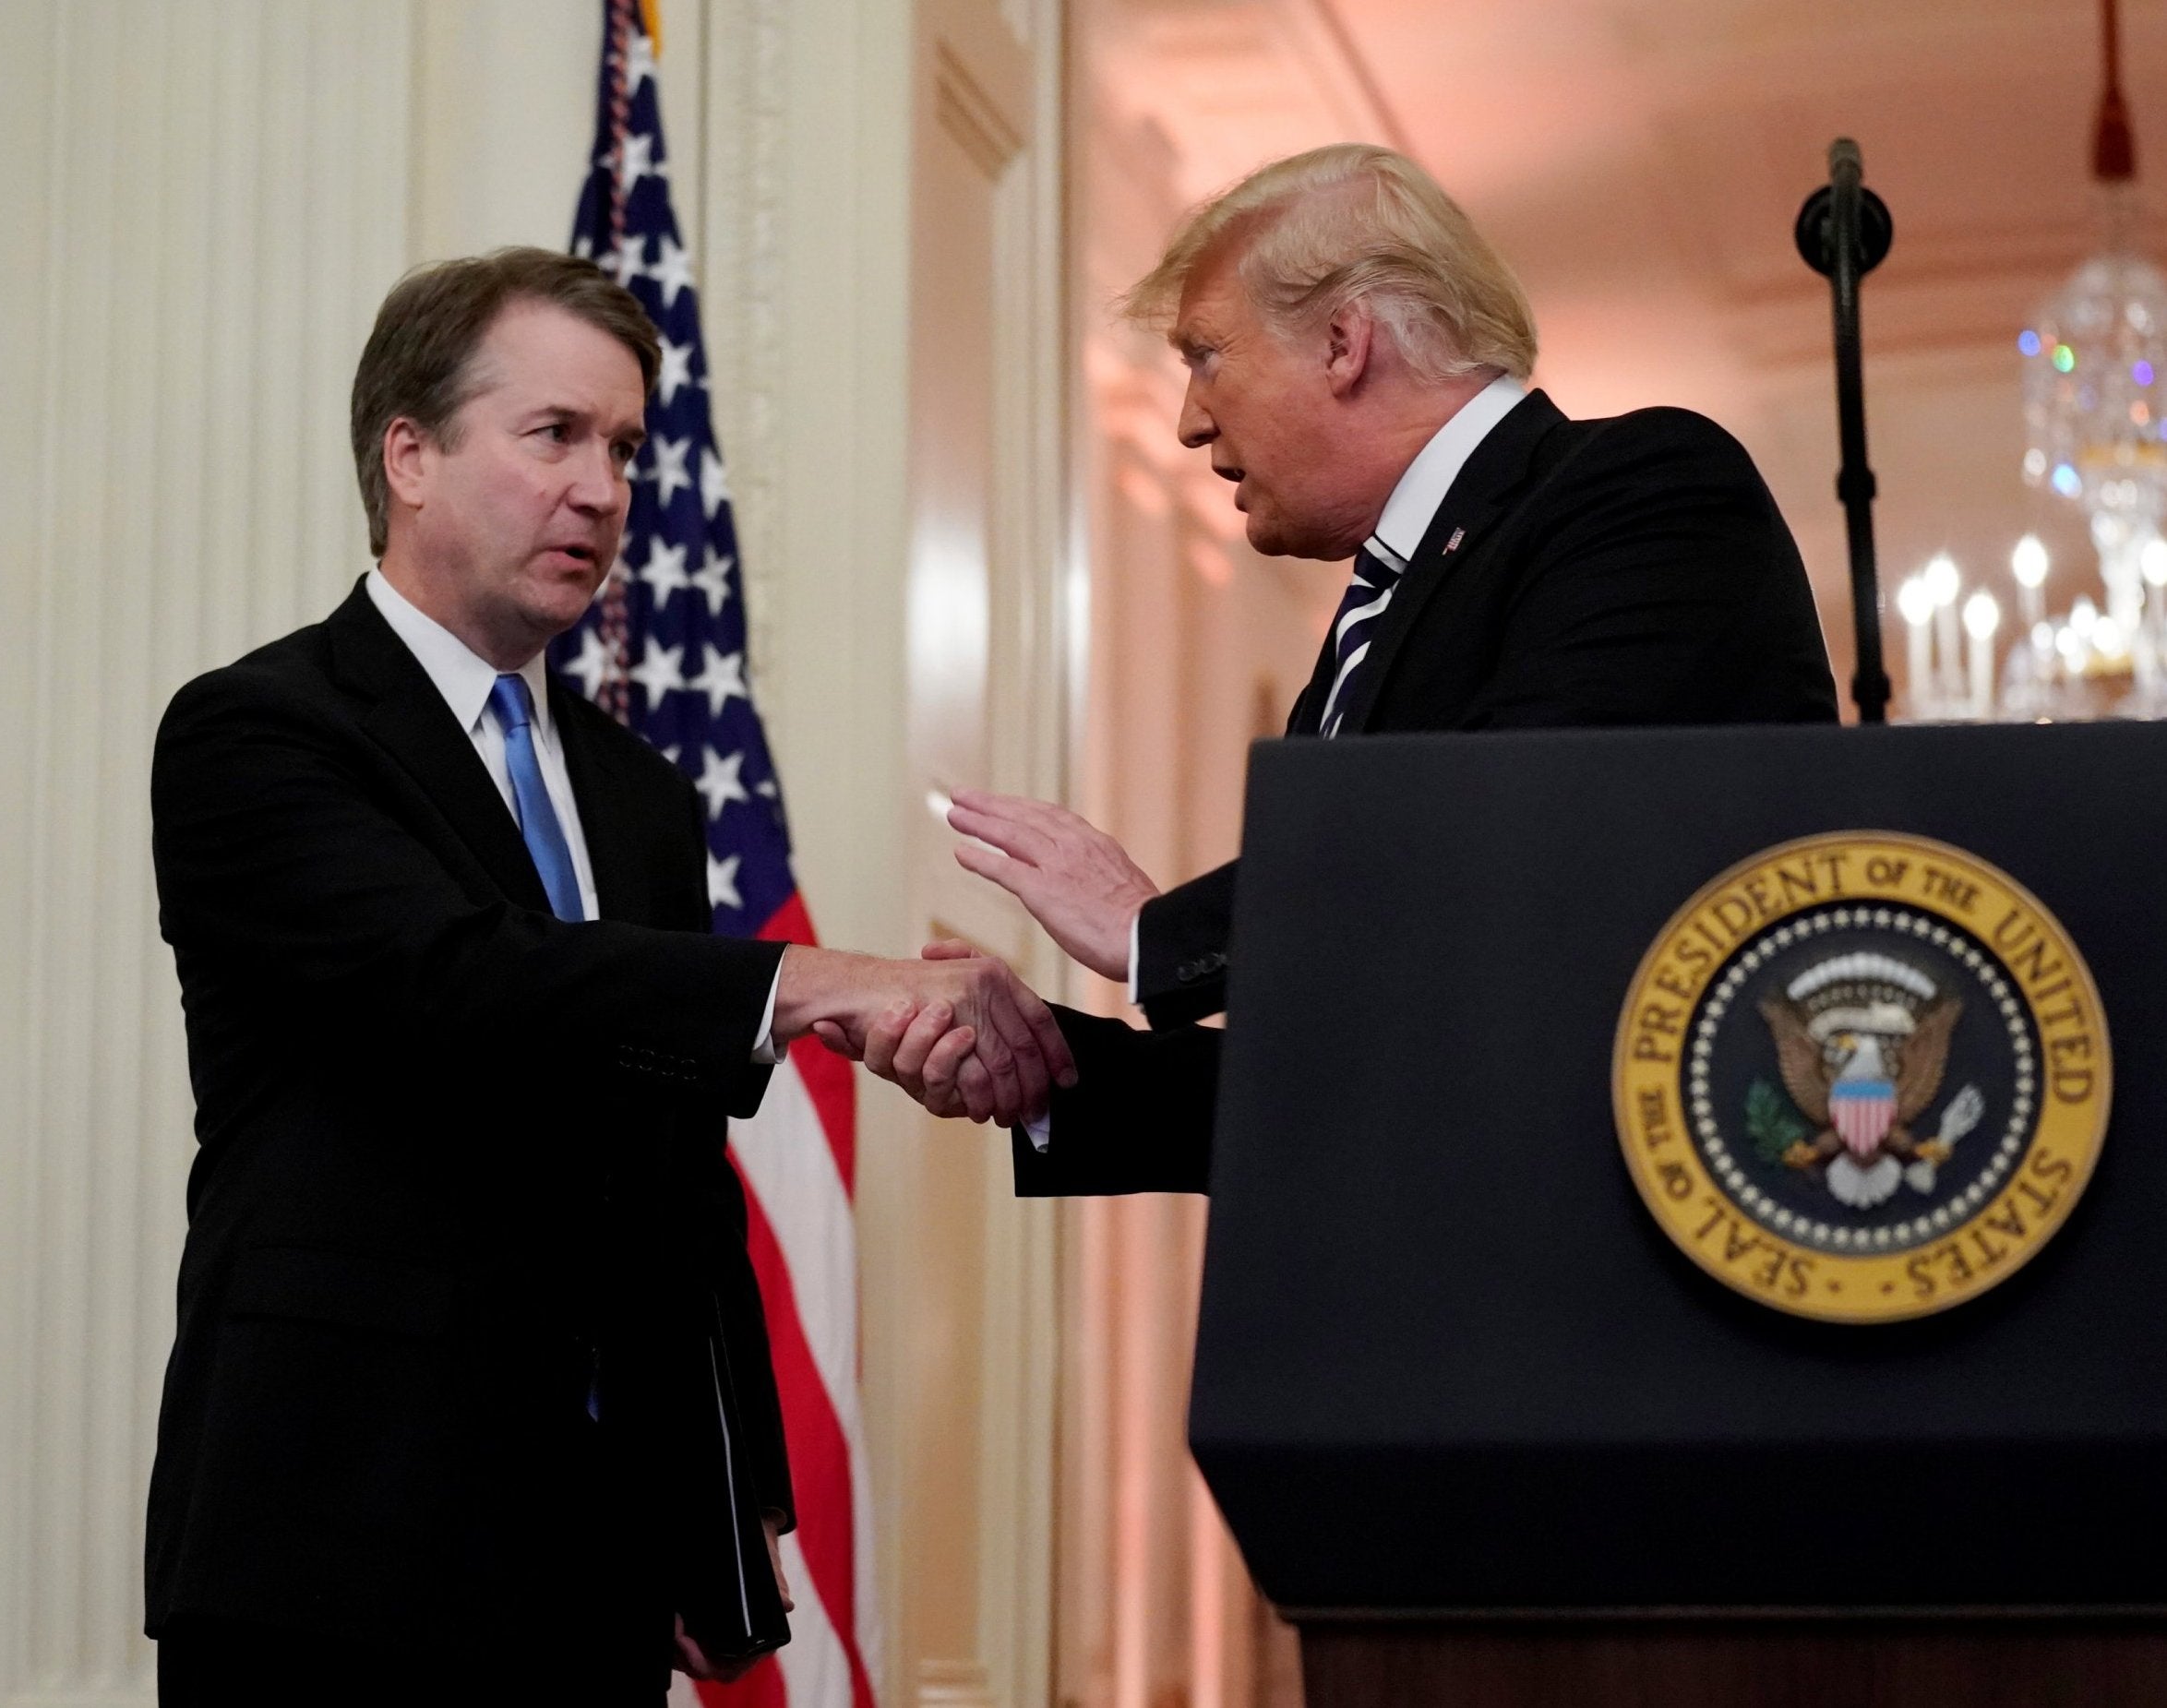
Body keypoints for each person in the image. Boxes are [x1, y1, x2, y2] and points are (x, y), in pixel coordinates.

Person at [144, 247, 1072, 1702]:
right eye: (556, 435)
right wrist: (814, 985)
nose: (604, 489)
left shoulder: (639, 794)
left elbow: (677, 1177)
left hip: (596, 1558)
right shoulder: (257, 733)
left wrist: (733, 1484)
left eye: (627, 448)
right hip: (334, 1542)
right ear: (411, 455)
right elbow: (461, 980)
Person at [844, 142, 1838, 1193]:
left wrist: (1157, 933)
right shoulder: (1384, 608)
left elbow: (1515, 834)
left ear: (1339, 341)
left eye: (1205, 355)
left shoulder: (1642, 489)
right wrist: (1046, 1071)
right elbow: (1377, 1069)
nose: (1186, 419)